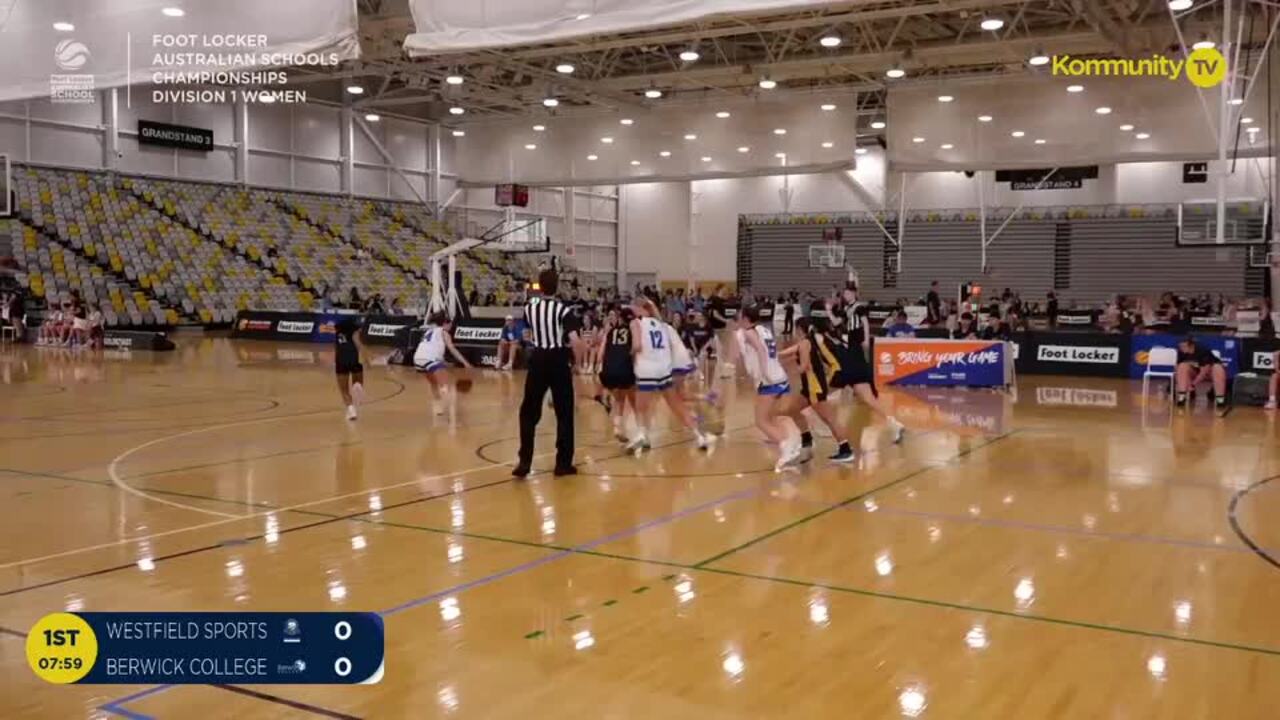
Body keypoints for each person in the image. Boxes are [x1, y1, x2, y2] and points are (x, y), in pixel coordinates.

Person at [514, 269, 579, 477]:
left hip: (538, 359)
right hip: (558, 359)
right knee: (564, 412)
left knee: (528, 412)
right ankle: (563, 463)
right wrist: (578, 361)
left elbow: (525, 332)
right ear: (557, 286)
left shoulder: (530, 308)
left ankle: (524, 461)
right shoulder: (563, 310)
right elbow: (575, 341)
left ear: (540, 287)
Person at [626, 297, 712, 452]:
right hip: (664, 369)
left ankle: (641, 436)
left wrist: (628, 356)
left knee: (641, 407)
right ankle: (699, 436)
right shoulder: (662, 325)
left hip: (647, 369)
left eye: (634, 307)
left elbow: (637, 345)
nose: (632, 310)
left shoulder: (637, 323)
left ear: (641, 309)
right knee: (676, 404)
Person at [780, 316, 855, 463]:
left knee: (829, 419)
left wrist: (787, 373)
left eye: (796, 328)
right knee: (792, 409)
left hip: (814, 387)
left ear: (800, 329)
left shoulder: (805, 343)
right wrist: (774, 357)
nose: (795, 331)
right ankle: (807, 440)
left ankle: (846, 449)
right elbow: (790, 352)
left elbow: (804, 366)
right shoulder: (807, 341)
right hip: (809, 387)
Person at [737, 305, 800, 471]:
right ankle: (784, 439)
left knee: (760, 421)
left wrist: (764, 372)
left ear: (745, 318)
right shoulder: (764, 330)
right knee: (770, 415)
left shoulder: (748, 332)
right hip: (779, 376)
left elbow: (761, 350)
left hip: (769, 380)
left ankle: (787, 447)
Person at [413, 311, 473, 416]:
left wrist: (444, 363)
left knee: (434, 383)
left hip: (418, 359)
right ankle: (450, 408)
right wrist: (465, 362)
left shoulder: (428, 331)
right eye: (450, 324)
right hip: (430, 359)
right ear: (445, 323)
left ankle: (438, 407)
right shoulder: (444, 332)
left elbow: (431, 348)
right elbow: (452, 349)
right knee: (444, 385)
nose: (450, 327)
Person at [597, 307, 638, 442]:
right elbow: (636, 349)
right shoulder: (633, 331)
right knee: (631, 399)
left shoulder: (609, 332)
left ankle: (617, 427)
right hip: (624, 370)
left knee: (619, 399)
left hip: (608, 371)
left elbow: (600, 353)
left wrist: (600, 367)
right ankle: (641, 431)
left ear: (620, 319)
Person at [1175, 336, 1227, 409]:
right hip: (1195, 371)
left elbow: (1204, 372)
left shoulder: (1202, 350)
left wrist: (1193, 384)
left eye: (1183, 346)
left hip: (1209, 371)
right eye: (1180, 346)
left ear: (1191, 345)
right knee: (1182, 366)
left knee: (1218, 368)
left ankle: (1220, 400)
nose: (1181, 348)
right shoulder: (1181, 351)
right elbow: (1177, 366)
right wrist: (1178, 381)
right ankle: (1182, 396)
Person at [334, 316, 370, 420]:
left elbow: (336, 348)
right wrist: (366, 359)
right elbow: (358, 343)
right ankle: (357, 386)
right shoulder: (354, 332)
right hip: (354, 359)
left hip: (341, 360)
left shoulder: (338, 333)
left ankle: (351, 410)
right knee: (357, 381)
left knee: (344, 391)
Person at [706, 285, 734, 377]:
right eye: (724, 289)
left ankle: (723, 370)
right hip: (718, 328)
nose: (726, 291)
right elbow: (715, 314)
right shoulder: (716, 300)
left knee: (722, 349)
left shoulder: (721, 301)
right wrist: (726, 321)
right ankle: (722, 371)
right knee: (721, 349)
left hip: (720, 327)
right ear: (720, 290)